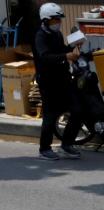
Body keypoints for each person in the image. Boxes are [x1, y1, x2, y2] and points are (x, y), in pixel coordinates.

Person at [33, 3, 82, 162]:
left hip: (63, 79)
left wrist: (72, 46)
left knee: (77, 110)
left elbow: (61, 50)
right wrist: (65, 56)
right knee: (50, 115)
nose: (58, 22)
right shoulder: (40, 36)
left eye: (59, 19)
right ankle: (44, 149)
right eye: (55, 19)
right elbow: (45, 56)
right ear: (46, 20)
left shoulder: (57, 34)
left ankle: (66, 145)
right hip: (48, 82)